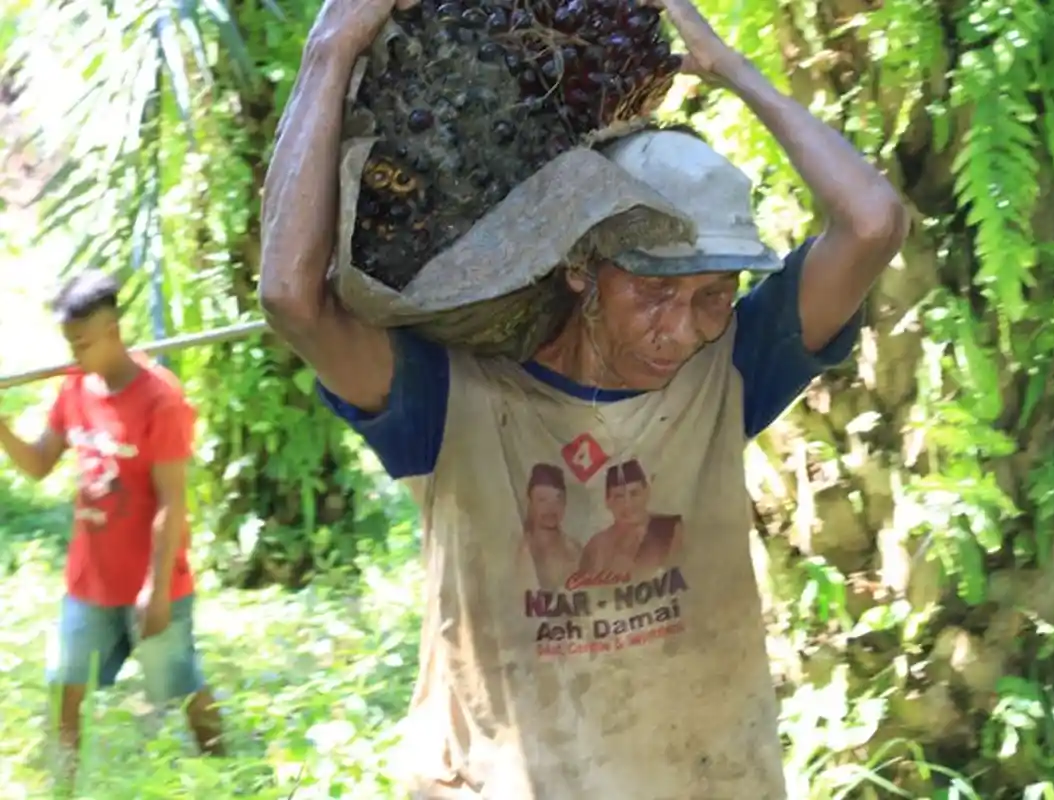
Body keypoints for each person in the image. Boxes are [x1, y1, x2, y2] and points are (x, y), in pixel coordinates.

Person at [259, 0, 907, 795]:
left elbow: (874, 223)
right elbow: (293, 302)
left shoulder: (731, 373)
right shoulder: (448, 399)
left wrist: (731, 71)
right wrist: (334, 44)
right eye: (653, 291)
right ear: (579, 269)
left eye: (714, 296)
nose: (682, 329)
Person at [0, 270, 224, 779]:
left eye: (81, 343)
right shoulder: (76, 388)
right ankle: (63, 788)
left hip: (154, 580)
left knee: (182, 685)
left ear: (113, 332)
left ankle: (230, 778)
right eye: (69, 343)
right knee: (65, 688)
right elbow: (38, 464)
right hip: (90, 580)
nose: (73, 355)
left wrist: (159, 588)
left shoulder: (161, 399)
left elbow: (172, 501)